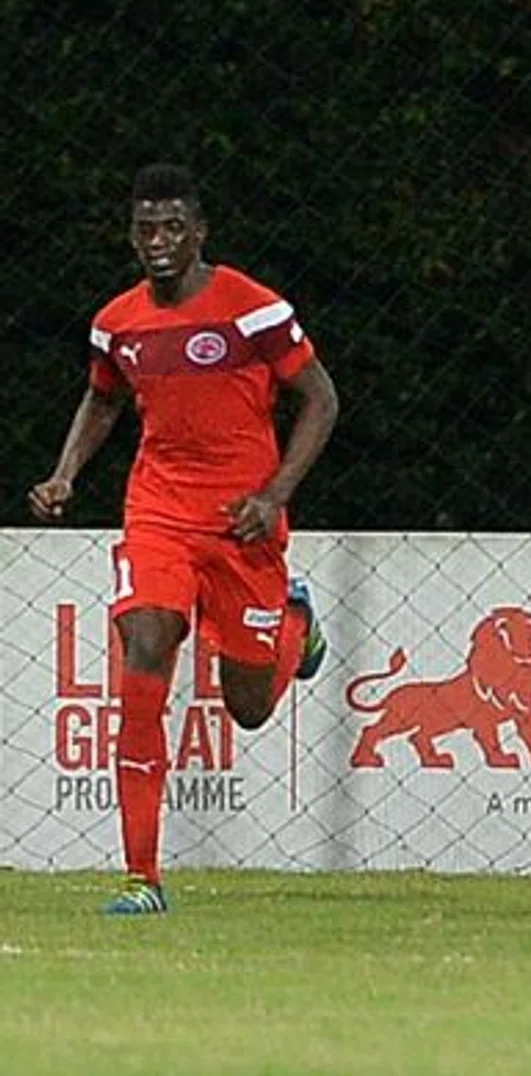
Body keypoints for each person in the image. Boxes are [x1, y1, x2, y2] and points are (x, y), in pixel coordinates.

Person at [28, 164, 338, 916]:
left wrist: (274, 496)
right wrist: (66, 472)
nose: (158, 242)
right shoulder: (118, 322)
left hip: (243, 521)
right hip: (158, 511)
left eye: (172, 227)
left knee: (251, 706)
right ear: (132, 235)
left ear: (199, 233)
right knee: (144, 651)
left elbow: (321, 399)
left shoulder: (253, 310)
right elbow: (102, 401)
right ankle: (143, 876)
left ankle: (294, 628)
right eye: (145, 228)